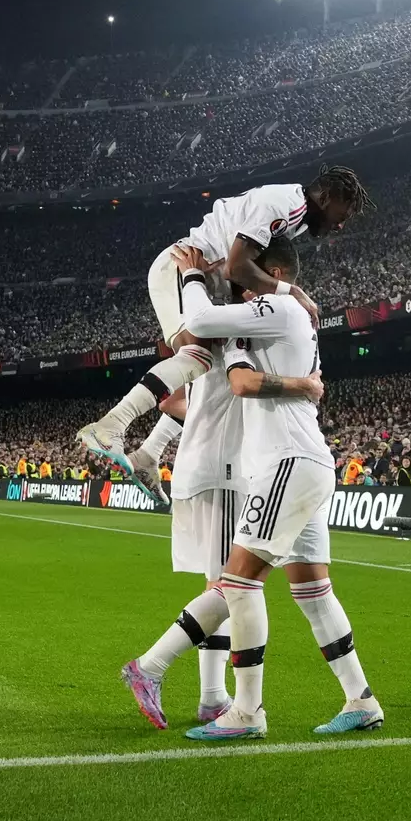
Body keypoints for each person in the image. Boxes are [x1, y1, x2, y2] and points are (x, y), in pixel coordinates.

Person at [176, 238, 382, 740]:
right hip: (305, 461)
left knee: (238, 583)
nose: (237, 279)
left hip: (286, 464)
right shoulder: (275, 320)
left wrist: (193, 277)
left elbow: (203, 327)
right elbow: (213, 351)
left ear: (270, 271)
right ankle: (361, 700)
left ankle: (246, 711)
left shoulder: (279, 305)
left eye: (242, 271)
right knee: (313, 591)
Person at [120, 241, 324, 731]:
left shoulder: (227, 329)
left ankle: (212, 697)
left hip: (226, 468)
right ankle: (175, 680)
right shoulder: (221, 330)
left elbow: (181, 403)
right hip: (221, 469)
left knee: (229, 583)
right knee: (233, 585)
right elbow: (185, 397)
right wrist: (301, 384)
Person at [77, 167, 371, 502]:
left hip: (203, 281)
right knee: (196, 358)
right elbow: (236, 268)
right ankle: (111, 426)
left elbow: (238, 272)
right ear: (327, 197)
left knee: (208, 373)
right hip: (185, 268)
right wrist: (293, 292)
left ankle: (148, 454)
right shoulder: (285, 206)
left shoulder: (296, 215)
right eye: (342, 214)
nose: (341, 224)